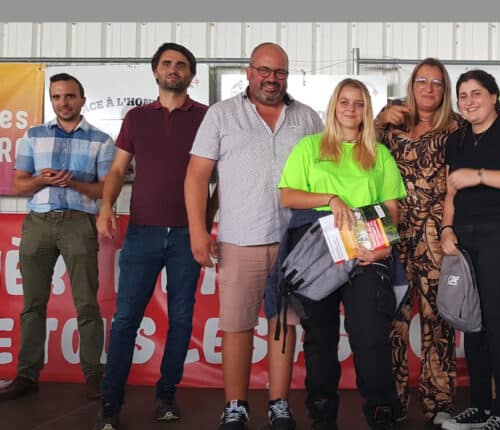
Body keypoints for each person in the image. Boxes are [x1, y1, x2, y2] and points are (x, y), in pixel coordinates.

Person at [184, 42, 323, 430]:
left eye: (279, 72)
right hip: (239, 240)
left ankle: (279, 403)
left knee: (283, 324)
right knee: (237, 325)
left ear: (287, 75)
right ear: (249, 72)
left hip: (293, 243)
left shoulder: (308, 118)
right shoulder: (221, 115)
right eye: (264, 70)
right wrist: (198, 230)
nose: (271, 79)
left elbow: (326, 172)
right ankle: (235, 406)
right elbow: (197, 176)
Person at [272, 78, 406, 430]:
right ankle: (322, 413)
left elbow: (392, 208)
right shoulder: (310, 147)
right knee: (319, 335)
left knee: (369, 333)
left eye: (358, 103)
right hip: (319, 249)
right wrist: (331, 199)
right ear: (334, 106)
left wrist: (383, 248)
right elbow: (287, 195)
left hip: (365, 247)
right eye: (344, 102)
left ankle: (381, 412)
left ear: (366, 110)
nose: (351, 109)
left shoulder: (379, 154)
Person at [93, 42, 210, 430]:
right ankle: (111, 404)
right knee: (126, 318)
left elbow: (220, 177)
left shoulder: (207, 118)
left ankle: (166, 397)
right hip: (141, 233)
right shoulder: (136, 118)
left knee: (181, 319)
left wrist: (205, 224)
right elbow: (117, 169)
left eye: (181, 65)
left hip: (186, 237)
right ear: (156, 71)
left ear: (192, 75)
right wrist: (107, 206)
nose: (173, 69)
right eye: (167, 63)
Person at [0, 73, 114, 403]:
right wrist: (42, 180)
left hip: (79, 223)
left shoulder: (101, 140)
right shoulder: (33, 136)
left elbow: (106, 190)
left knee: (87, 303)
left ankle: (93, 375)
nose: (63, 103)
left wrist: (72, 183)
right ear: (51, 100)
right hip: (38, 223)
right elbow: (18, 184)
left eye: (69, 96)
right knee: (32, 304)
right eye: (56, 97)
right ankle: (27, 375)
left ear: (82, 99)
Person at [439, 69, 500, 430]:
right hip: (466, 237)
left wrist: (479, 175)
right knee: (473, 324)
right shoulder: (457, 140)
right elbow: (451, 190)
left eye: (477, 93)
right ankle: (480, 407)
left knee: (497, 325)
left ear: (494, 97)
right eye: (463, 95)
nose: (469, 101)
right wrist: (446, 228)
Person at [374, 57, 462, 425]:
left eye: (437, 82)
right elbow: (356, 151)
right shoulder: (390, 123)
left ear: (445, 89)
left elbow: (458, 185)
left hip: (435, 234)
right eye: (422, 80)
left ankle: (438, 402)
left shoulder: (456, 128)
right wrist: (379, 121)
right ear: (411, 85)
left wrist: (449, 227)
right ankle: (390, 401)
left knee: (437, 318)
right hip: (389, 229)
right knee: (391, 317)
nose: (428, 88)